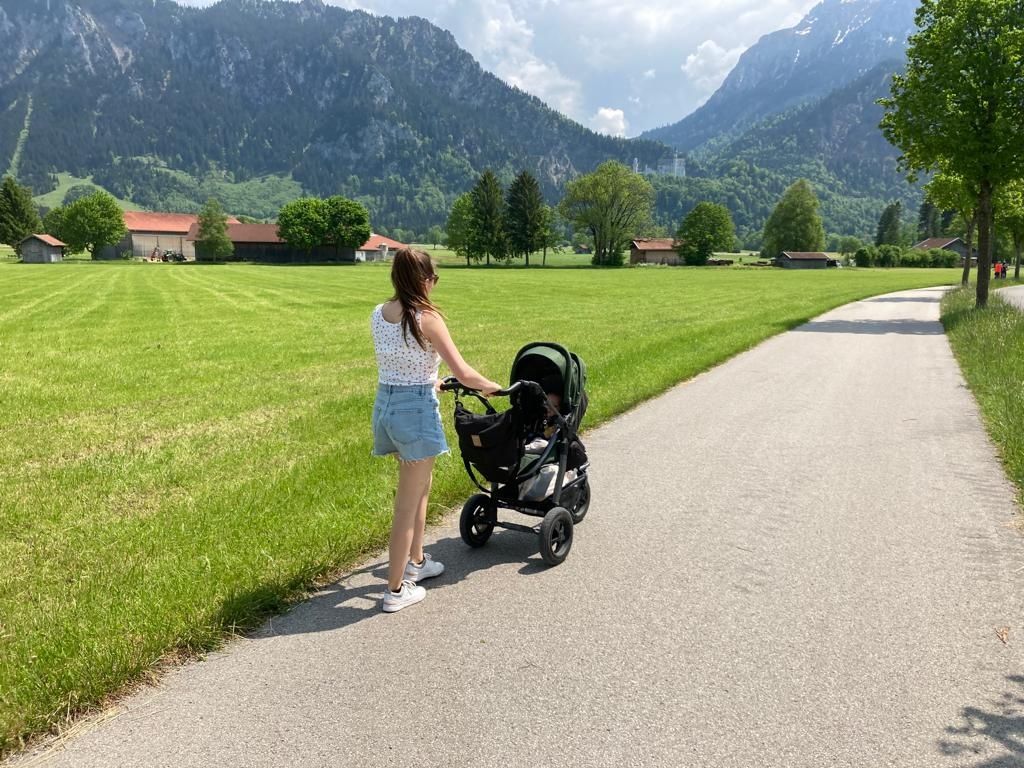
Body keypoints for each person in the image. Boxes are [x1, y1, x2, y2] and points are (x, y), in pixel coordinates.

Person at [370, 248, 501, 613]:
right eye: (434, 279)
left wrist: (431, 382)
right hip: (413, 413)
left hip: (386, 407)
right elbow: (465, 373)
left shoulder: (380, 314)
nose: (434, 285)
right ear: (425, 279)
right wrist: (491, 386)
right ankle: (395, 591)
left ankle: (417, 561)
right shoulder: (427, 318)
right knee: (406, 506)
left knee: (421, 489)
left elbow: (400, 360)